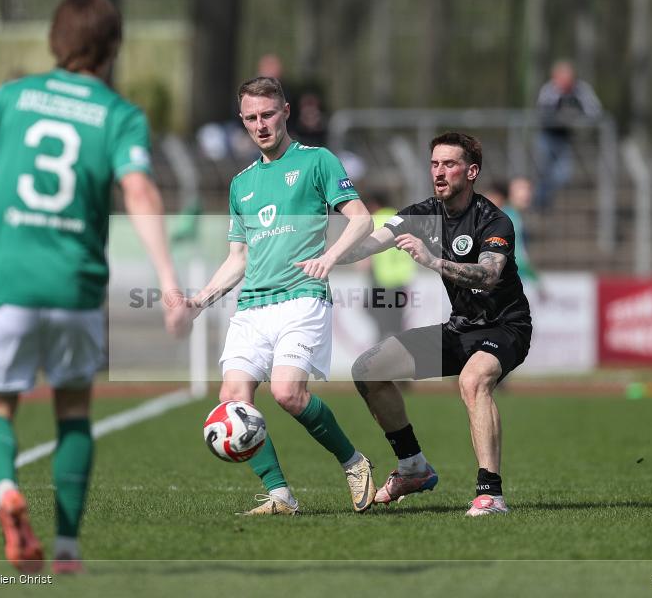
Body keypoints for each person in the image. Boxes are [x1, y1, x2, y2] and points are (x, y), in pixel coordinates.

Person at [0, 0, 189, 574]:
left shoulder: (9, 97)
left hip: (3, 278)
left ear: (55, 41)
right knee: (72, 408)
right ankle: (68, 547)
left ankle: (5, 489)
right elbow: (140, 193)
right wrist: (169, 280)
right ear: (112, 48)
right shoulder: (118, 114)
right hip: (73, 284)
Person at [186, 76, 376, 515]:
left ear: (285, 111)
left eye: (268, 114)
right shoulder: (241, 183)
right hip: (252, 305)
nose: (260, 124)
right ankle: (280, 496)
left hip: (302, 295)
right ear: (242, 121)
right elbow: (239, 258)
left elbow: (361, 220)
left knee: (288, 393)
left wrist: (329, 257)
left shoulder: (318, 162)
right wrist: (200, 299)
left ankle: (354, 462)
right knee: (231, 399)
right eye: (251, 118)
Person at [341, 132, 532, 516]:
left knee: (472, 380)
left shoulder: (494, 220)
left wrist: (433, 262)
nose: (439, 172)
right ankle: (413, 466)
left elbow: (489, 275)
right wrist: (324, 253)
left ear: (472, 171)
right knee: (367, 369)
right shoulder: (421, 213)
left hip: (504, 327)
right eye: (434, 164)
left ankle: (490, 494)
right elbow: (369, 245)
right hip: (461, 327)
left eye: (449, 164)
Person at [534, 60, 601, 211]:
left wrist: (577, 117)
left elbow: (595, 110)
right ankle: (540, 204)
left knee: (563, 174)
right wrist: (560, 115)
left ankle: (546, 199)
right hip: (546, 136)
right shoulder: (549, 90)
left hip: (564, 139)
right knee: (543, 171)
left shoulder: (581, 90)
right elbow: (543, 112)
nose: (565, 84)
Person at [364, 192, 416, 341]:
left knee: (381, 321)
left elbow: (366, 253)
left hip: (383, 279)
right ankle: (399, 352)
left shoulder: (375, 220)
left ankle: (382, 354)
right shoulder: (401, 218)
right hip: (402, 278)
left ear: (373, 205)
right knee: (396, 322)